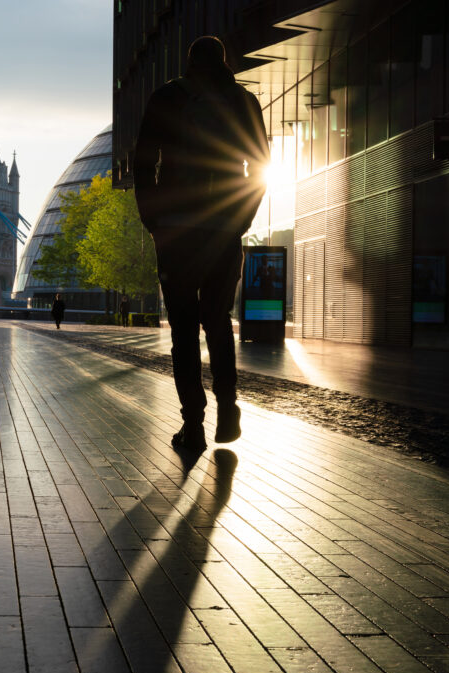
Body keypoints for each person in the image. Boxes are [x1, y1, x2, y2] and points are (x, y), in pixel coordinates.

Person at [134, 35, 269, 454]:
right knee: (218, 318)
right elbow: (260, 164)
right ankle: (228, 407)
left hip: (176, 231)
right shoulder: (244, 102)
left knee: (184, 330)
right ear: (224, 62)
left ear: (189, 62)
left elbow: (144, 161)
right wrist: (240, 220)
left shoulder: (167, 97)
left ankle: (193, 424)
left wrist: (154, 219)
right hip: (222, 231)